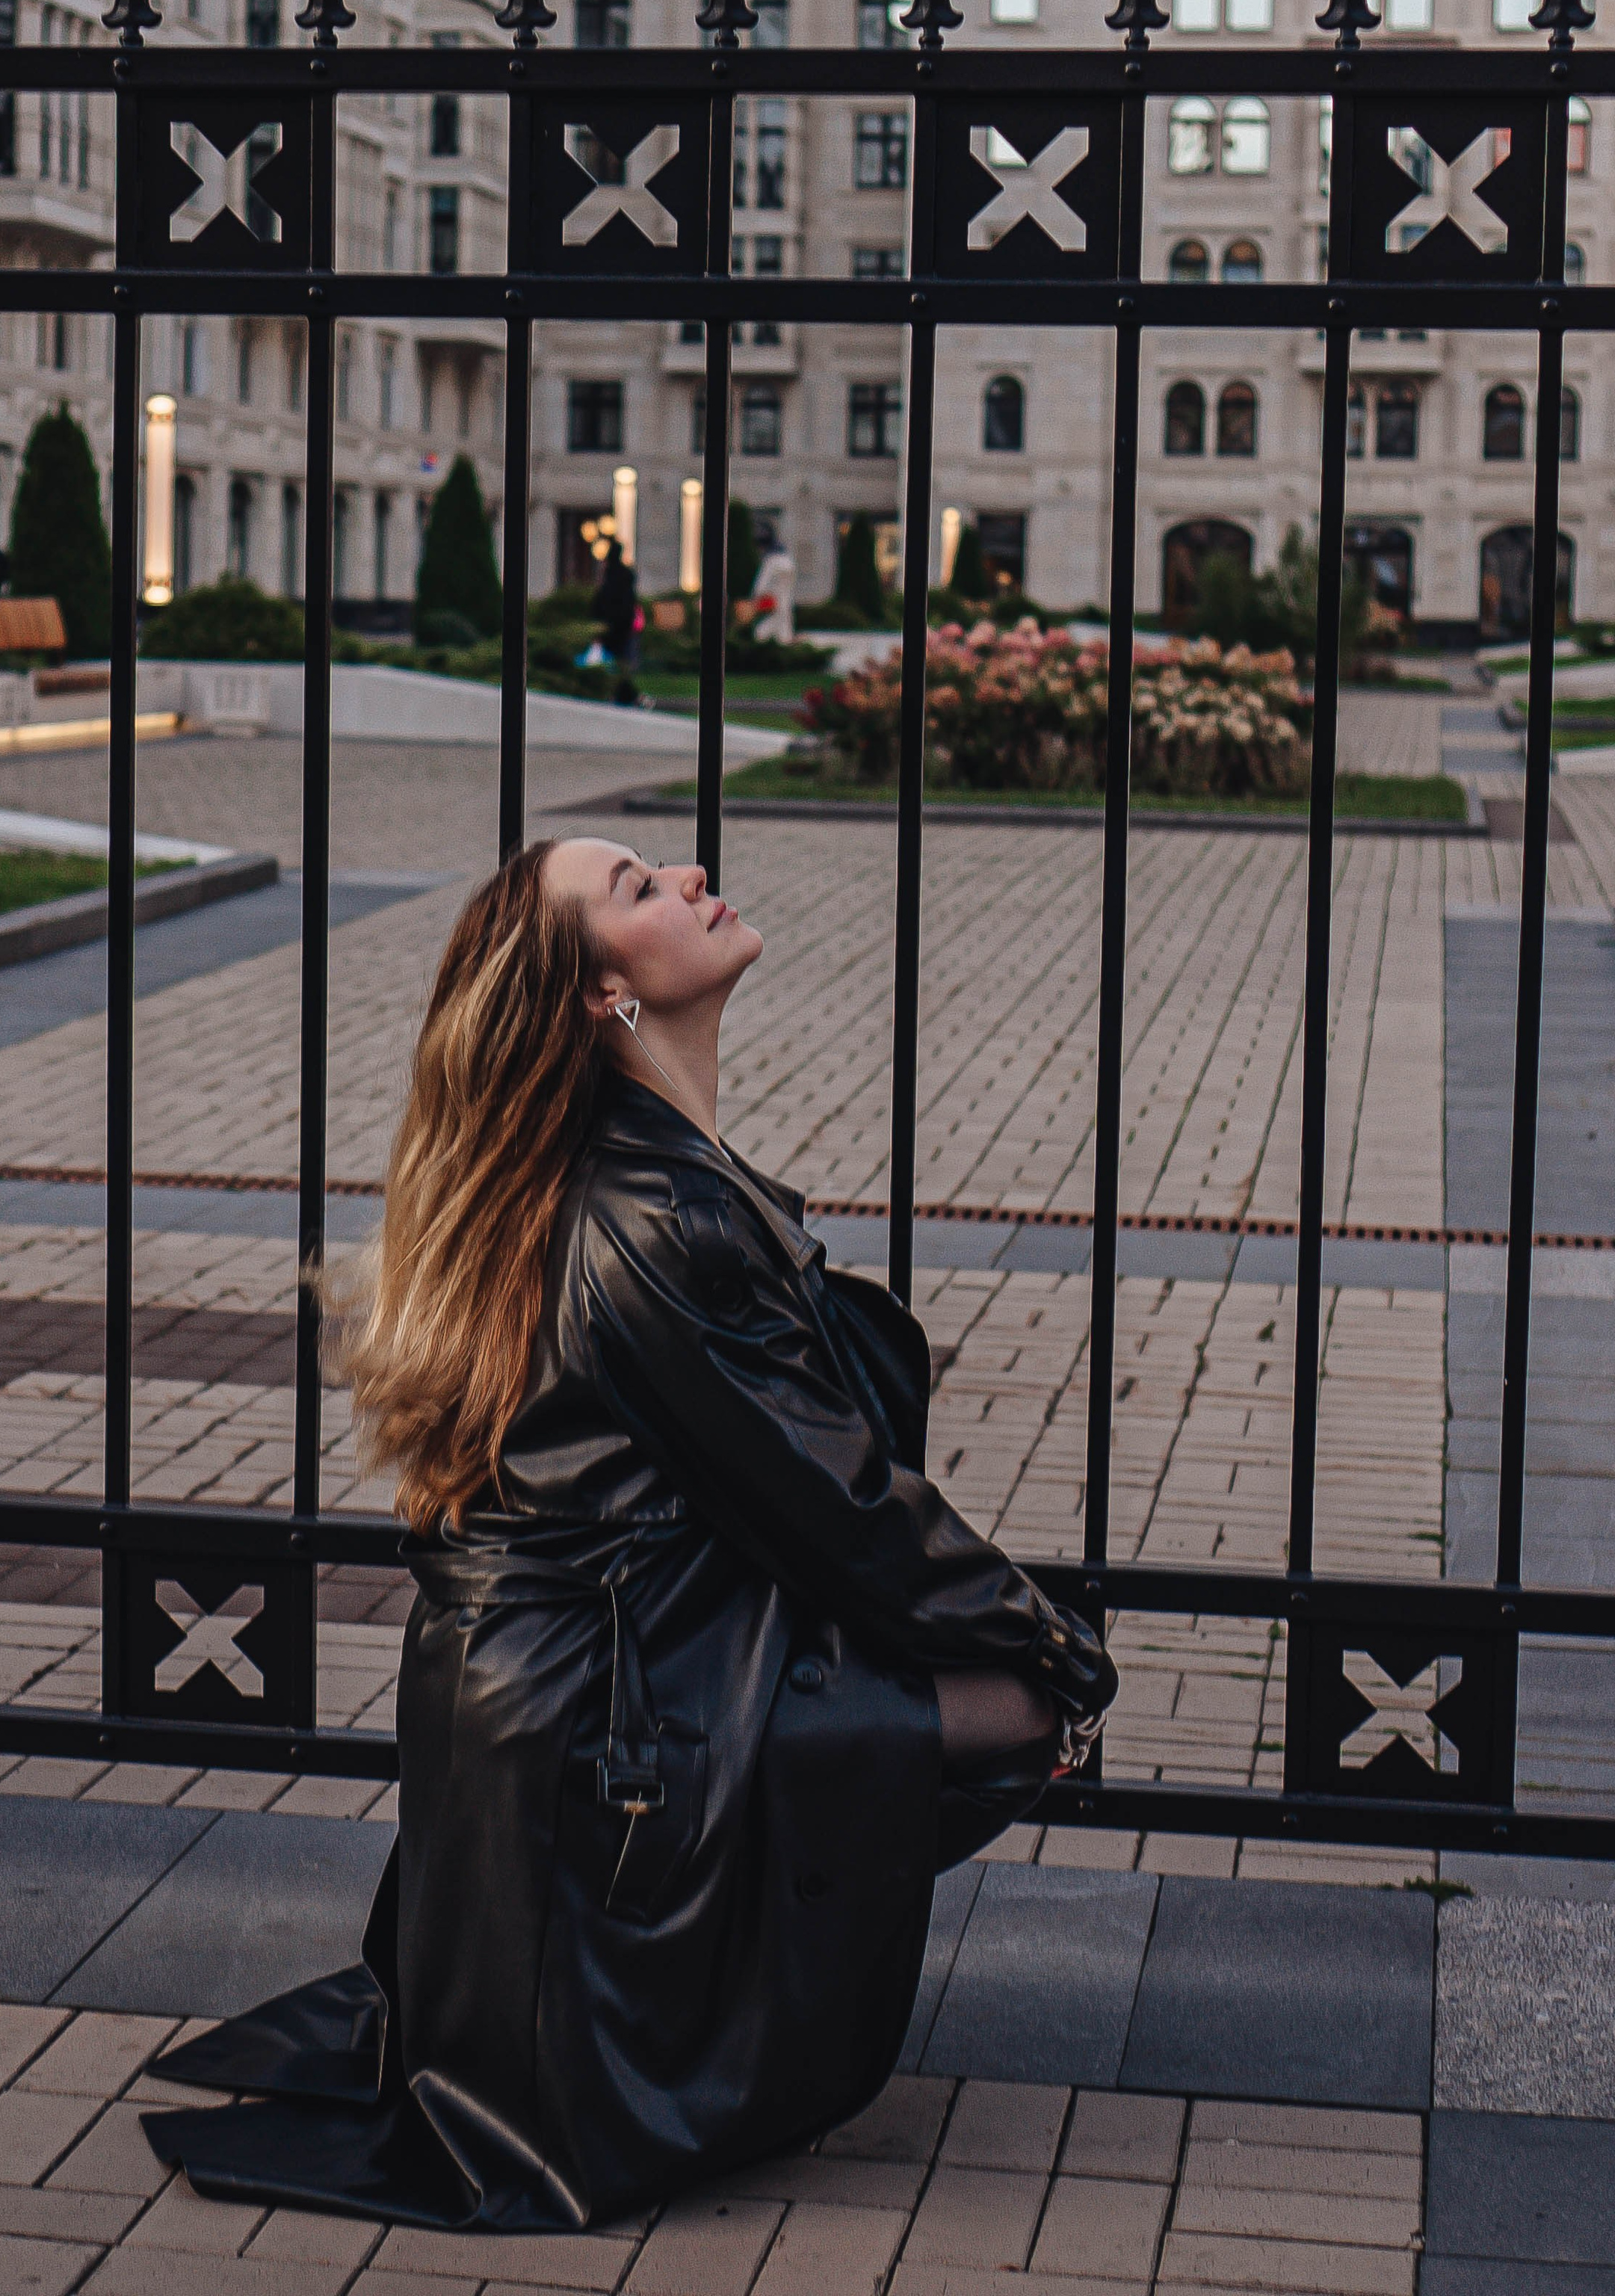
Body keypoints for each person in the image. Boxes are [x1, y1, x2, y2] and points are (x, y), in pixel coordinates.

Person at [142, 839, 1117, 2233]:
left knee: (955, 1695)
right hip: (607, 1717)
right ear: (605, 991)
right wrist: (1058, 1648)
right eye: (640, 889)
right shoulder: (655, 1211)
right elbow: (844, 1512)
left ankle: (716, 1972)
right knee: (1015, 1707)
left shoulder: (614, 1167)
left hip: (562, 1701)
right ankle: (714, 2003)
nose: (690, 875)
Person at [589, 540, 637, 664]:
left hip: (608, 620)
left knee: (609, 654)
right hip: (624, 620)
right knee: (623, 654)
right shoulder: (626, 574)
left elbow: (600, 598)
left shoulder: (607, 573)